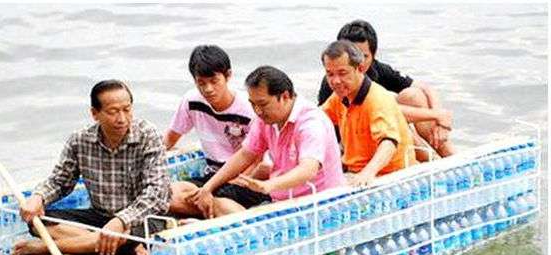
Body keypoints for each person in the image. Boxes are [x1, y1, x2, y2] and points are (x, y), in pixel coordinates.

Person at [13, 80, 171, 255]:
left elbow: (157, 194)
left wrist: (121, 220)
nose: (122, 119)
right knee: (39, 222)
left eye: (127, 110)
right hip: (99, 217)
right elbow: (60, 181)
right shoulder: (80, 140)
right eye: (113, 112)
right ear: (95, 114)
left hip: (140, 221)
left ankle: (46, 247)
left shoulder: (148, 135)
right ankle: (107, 245)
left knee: (124, 237)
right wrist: (38, 197)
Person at [188, 66, 346, 218]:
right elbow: (245, 155)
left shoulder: (311, 123)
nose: (257, 111)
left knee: (223, 207)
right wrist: (208, 187)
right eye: (253, 104)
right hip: (279, 198)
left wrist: (269, 185)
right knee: (203, 198)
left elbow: (308, 169)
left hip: (316, 205)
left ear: (284, 96)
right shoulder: (265, 119)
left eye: (263, 104)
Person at [317, 20, 457, 161]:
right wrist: (436, 115)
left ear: (373, 54)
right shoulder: (337, 82)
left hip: (375, 129)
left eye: (363, 56)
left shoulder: (376, 70)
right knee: (399, 124)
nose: (359, 62)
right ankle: (435, 162)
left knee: (413, 95)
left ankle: (451, 156)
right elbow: (382, 109)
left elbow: (424, 87)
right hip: (346, 141)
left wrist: (441, 122)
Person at [165, 45, 270, 219]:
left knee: (219, 199)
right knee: (167, 195)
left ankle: (210, 211)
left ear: (228, 76)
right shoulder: (192, 101)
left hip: (243, 177)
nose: (208, 89)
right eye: (201, 83)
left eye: (214, 81)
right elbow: (170, 138)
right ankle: (216, 212)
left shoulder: (248, 108)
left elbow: (256, 158)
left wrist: (230, 183)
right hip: (213, 173)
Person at [320, 40, 417, 187]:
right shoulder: (339, 97)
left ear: (360, 68)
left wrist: (368, 172)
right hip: (353, 170)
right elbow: (316, 120)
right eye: (330, 74)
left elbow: (389, 142)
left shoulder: (377, 99)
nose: (336, 81)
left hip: (388, 176)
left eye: (342, 73)